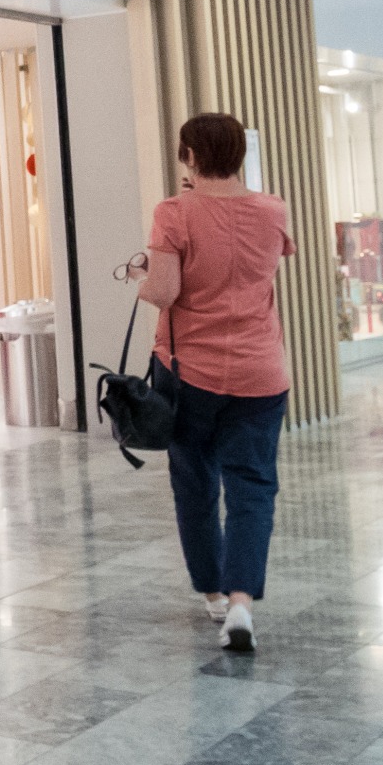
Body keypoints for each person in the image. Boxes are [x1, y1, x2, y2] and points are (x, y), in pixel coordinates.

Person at [131, 113, 294, 653]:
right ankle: (242, 603)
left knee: (196, 483)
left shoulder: (173, 213)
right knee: (253, 487)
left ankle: (214, 593)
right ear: (239, 155)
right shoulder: (273, 210)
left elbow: (163, 292)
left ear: (190, 156)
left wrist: (140, 274)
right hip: (261, 370)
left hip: (190, 375)